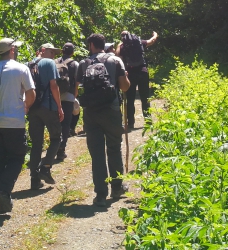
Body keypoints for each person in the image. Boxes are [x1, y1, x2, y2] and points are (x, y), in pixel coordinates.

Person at [0, 38, 36, 213]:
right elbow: (31, 93)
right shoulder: (21, 69)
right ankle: (3, 191)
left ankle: (3, 200)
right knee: (17, 157)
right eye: (15, 48)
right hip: (14, 122)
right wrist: (25, 106)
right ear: (11, 50)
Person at [78, 33, 130, 207]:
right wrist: (126, 77)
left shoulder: (83, 63)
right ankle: (117, 187)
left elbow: (78, 91)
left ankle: (100, 194)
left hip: (91, 113)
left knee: (97, 153)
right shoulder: (115, 60)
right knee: (114, 148)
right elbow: (124, 86)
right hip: (112, 109)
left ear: (91, 45)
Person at [27, 43, 64, 189]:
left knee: (36, 144)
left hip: (33, 108)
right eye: (52, 52)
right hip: (48, 107)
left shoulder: (27, 65)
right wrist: (59, 107)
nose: (54, 55)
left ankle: (34, 179)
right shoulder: (49, 63)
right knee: (56, 138)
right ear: (43, 51)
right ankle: (45, 167)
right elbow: (54, 86)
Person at [117, 30, 157, 130]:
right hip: (143, 72)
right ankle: (148, 121)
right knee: (145, 98)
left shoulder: (122, 47)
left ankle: (130, 123)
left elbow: (117, 56)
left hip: (130, 74)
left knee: (130, 99)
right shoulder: (139, 42)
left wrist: (119, 44)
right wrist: (155, 35)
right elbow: (151, 41)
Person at [55, 42, 80, 161]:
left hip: (55, 97)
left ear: (62, 51)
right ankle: (61, 151)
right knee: (65, 125)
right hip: (68, 97)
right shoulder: (75, 63)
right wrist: (75, 93)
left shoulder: (54, 62)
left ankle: (53, 147)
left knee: (55, 124)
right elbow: (77, 81)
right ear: (72, 52)